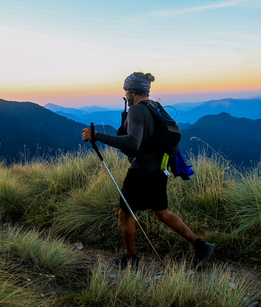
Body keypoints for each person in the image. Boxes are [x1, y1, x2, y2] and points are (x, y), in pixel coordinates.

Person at [81, 71, 215, 270]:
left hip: (142, 171)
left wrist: (97, 135)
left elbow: (133, 143)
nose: (125, 94)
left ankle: (131, 260)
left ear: (132, 91)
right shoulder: (155, 106)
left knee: (125, 213)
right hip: (159, 170)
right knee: (162, 213)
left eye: (126, 90)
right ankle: (201, 246)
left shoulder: (136, 110)